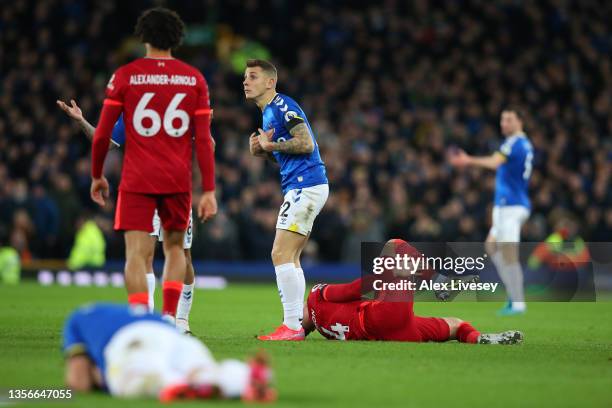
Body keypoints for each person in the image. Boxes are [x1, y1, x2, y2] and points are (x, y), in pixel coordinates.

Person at [89, 7, 217, 323]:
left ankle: (140, 320)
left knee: (136, 254)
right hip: (176, 178)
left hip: (137, 179)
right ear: (178, 38)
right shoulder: (194, 79)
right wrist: (210, 190)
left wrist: (96, 174)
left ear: (142, 35)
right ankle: (170, 319)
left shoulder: (125, 76)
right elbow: (203, 141)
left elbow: (103, 134)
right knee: (175, 250)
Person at [57, 100, 199, 334]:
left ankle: (181, 320)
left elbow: (206, 145)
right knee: (145, 254)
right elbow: (105, 142)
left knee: (183, 255)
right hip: (143, 191)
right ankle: (150, 321)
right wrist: (81, 120)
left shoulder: (181, 106)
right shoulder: (133, 111)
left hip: (177, 191)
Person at [244, 59, 329, 341]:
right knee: (291, 257)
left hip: (306, 185)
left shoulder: (282, 106)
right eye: (245, 77)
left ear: (270, 82)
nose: (246, 81)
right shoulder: (269, 113)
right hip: (304, 185)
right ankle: (295, 325)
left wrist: (271, 145)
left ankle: (292, 327)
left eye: (253, 76)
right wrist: (265, 152)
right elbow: (286, 152)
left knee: (280, 253)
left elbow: (305, 143)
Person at [302, 239, 524, 344]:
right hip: (381, 317)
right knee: (395, 246)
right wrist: (383, 278)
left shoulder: (322, 330)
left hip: (396, 331)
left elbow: (299, 327)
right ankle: (439, 281)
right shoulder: (316, 297)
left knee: (455, 325)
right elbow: (352, 289)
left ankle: (481, 338)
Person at [62, 303, 275, 402]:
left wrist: (99, 378)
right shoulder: (135, 314)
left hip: (132, 341)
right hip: (172, 335)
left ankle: (173, 384)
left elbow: (79, 382)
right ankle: (245, 376)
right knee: (205, 370)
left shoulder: (78, 319)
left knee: (134, 381)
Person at [448, 109, 534, 315]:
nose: (504, 123)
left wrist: (468, 160)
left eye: (509, 119)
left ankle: (518, 303)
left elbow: (496, 162)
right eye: (502, 119)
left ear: (520, 121)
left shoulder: (514, 143)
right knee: (491, 245)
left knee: (509, 253)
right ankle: (513, 297)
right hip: (508, 205)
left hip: (511, 206)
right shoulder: (523, 144)